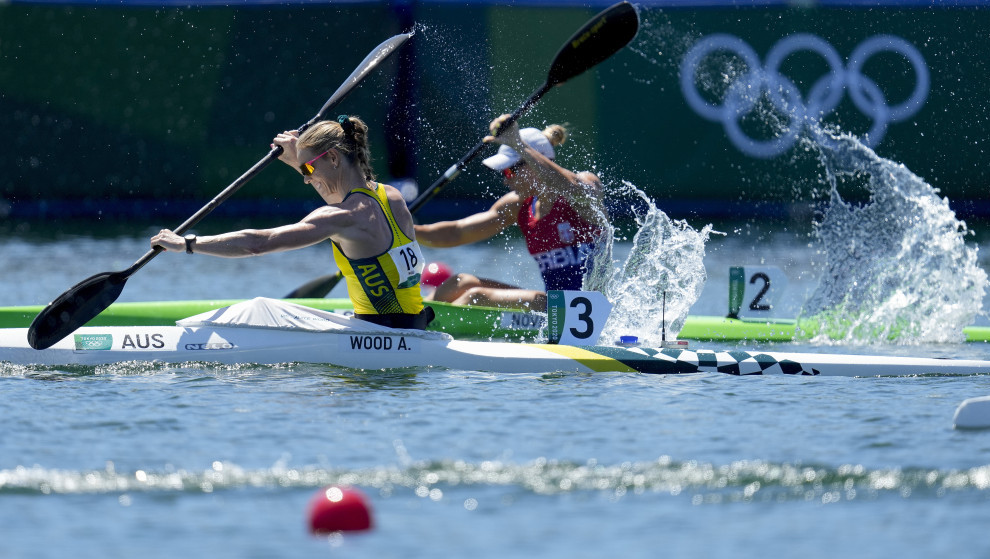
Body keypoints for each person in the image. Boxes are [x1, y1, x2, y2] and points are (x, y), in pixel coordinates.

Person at [150, 115, 434, 330]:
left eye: (309, 168)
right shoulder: (392, 197)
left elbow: (258, 244)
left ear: (333, 157)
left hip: (380, 335)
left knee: (257, 310)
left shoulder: (341, 218)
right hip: (413, 327)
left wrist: (187, 243)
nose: (306, 178)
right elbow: (338, 193)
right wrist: (301, 158)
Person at [414, 114, 605, 311]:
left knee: (476, 297)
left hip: (586, 311)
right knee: (459, 283)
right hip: (551, 306)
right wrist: (406, 230)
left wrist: (519, 144)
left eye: (510, 171)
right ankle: (416, 319)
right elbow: (457, 232)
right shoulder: (519, 205)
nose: (506, 180)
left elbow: (571, 186)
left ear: (533, 164)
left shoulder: (584, 190)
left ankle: (430, 328)